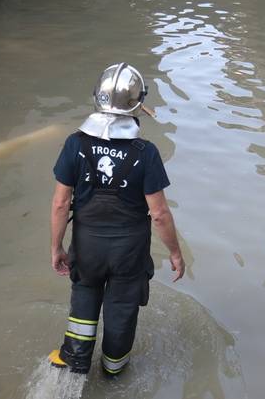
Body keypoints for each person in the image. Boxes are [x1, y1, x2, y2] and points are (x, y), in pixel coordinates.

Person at [48, 63, 185, 376]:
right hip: (129, 252)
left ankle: (77, 358)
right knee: (122, 307)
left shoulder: (75, 143)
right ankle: (113, 368)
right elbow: (160, 214)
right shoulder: (145, 152)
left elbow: (60, 203)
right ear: (137, 105)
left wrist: (57, 247)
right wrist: (176, 254)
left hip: (87, 247)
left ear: (97, 98)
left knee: (84, 292)